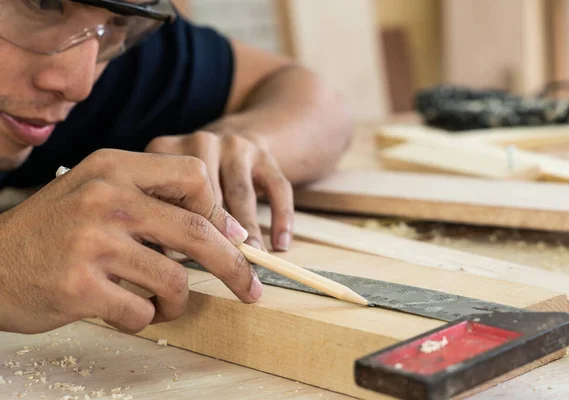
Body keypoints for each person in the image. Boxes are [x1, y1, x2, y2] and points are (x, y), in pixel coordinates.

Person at [0, 0, 352, 335]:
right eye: (42, 3)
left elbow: (315, 99)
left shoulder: (122, 49)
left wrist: (238, 143)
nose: (78, 85)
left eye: (117, 22)